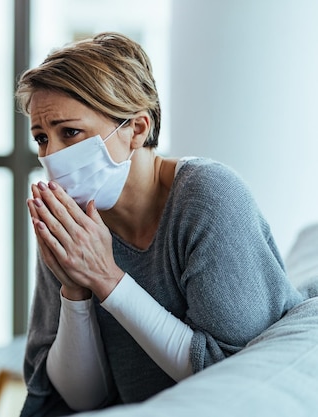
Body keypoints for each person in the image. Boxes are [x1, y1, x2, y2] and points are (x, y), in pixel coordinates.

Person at [16, 32, 305, 416]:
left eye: (70, 132)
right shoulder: (71, 221)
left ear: (136, 129)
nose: (51, 155)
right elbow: (80, 400)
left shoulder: (207, 197)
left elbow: (229, 374)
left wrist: (106, 278)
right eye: (41, 137)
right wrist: (75, 288)